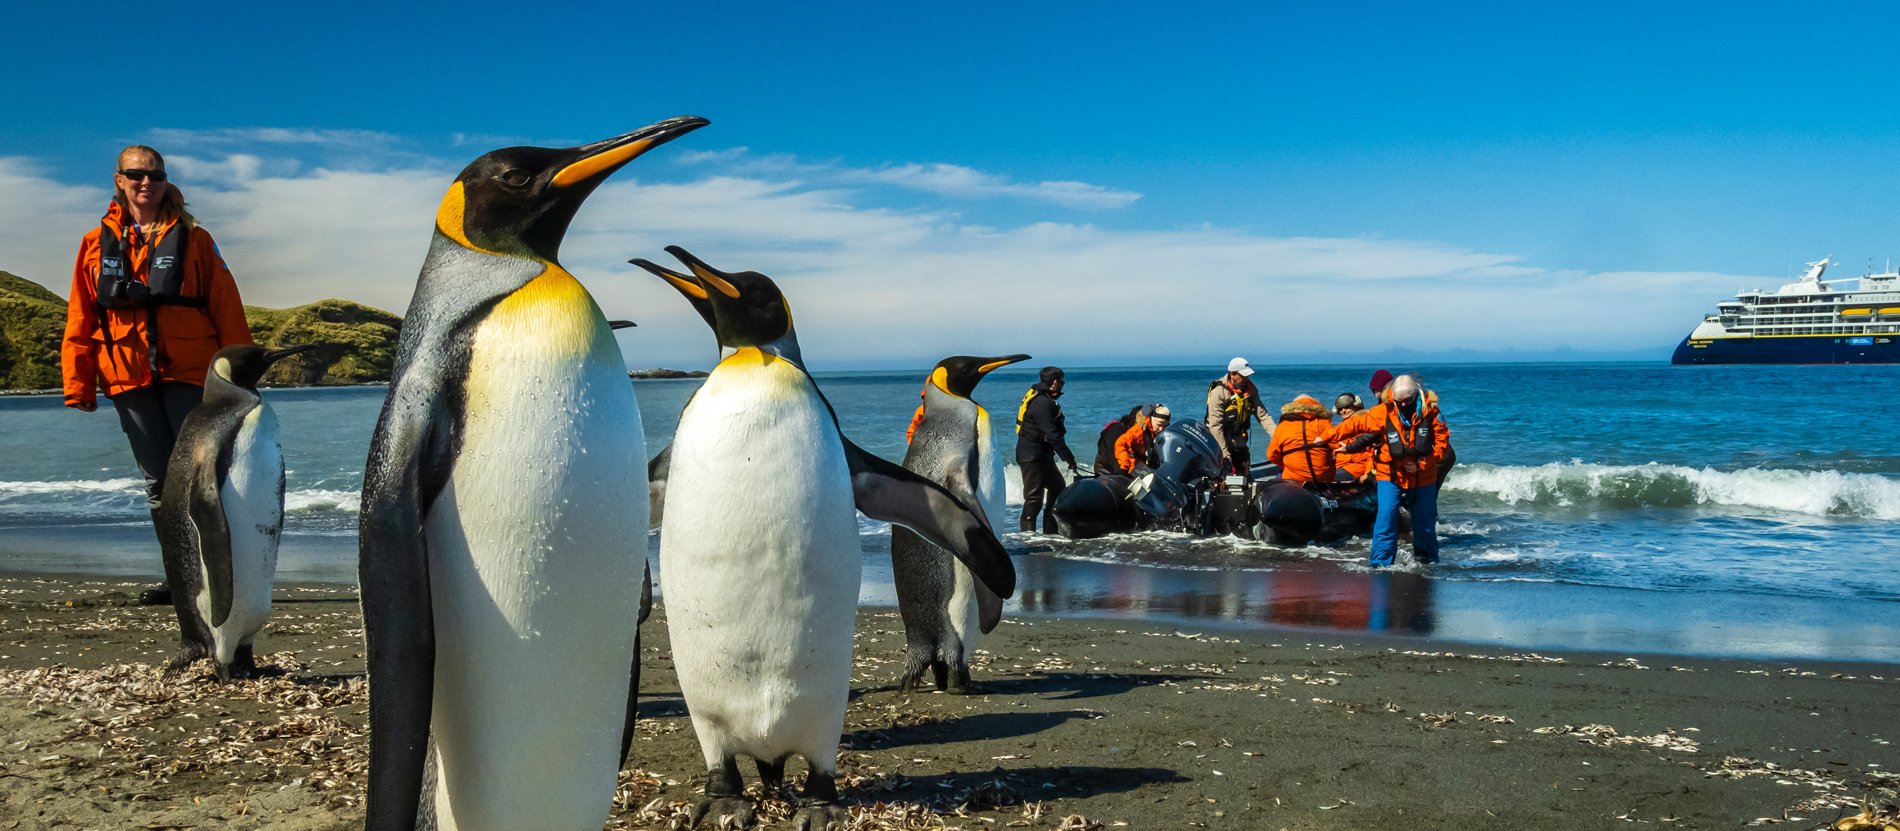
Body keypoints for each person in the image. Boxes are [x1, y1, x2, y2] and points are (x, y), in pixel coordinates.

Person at [62, 146, 254, 604]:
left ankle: (222, 574)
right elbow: (81, 315)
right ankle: (182, 578)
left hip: (190, 371)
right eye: (136, 175)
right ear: (119, 180)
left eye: (155, 175)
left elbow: (226, 304)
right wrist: (78, 383)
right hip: (127, 376)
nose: (146, 182)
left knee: (201, 474)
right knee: (158, 483)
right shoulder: (93, 244)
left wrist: (240, 376)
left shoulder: (196, 239)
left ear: (166, 182)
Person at [1330, 375, 1450, 567]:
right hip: (1390, 473)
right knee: (1386, 518)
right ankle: (1380, 564)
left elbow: (1441, 444)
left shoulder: (1432, 412)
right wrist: (1329, 436)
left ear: (1415, 395)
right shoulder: (1383, 411)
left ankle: (1427, 563)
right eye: (1398, 401)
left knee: (1424, 523)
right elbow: (1359, 425)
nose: (1402, 405)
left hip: (1423, 475)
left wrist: (1423, 463)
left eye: (1407, 401)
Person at [1015, 366, 1079, 533]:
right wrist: (1069, 458)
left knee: (1057, 486)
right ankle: (1028, 536)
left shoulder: (1042, 398)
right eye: (1062, 382)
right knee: (1034, 497)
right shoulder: (1041, 403)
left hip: (1041, 455)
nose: (1063, 385)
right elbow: (1052, 435)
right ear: (1055, 383)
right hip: (1031, 456)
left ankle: (1050, 531)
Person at [1204, 357, 1271, 474]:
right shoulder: (1219, 392)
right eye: (1243, 376)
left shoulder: (1250, 390)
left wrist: (1279, 437)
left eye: (1247, 375)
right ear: (1233, 374)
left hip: (1239, 439)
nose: (1247, 379)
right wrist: (1225, 454)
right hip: (1219, 441)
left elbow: (1263, 416)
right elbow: (1215, 426)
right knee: (1223, 478)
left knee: (1244, 476)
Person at [1265, 395, 1335, 484]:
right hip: (1323, 477)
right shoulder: (1324, 423)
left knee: (1273, 483)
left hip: (1294, 478)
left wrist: (1285, 465)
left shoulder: (1283, 426)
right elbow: (1337, 446)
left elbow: (1271, 456)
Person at [1112, 404, 1169, 475]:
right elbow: (1120, 444)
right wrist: (1124, 466)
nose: (1161, 429)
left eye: (1165, 426)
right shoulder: (1139, 430)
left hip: (1148, 467)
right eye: (1159, 425)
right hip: (1134, 468)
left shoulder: (1161, 433)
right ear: (1151, 419)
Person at [1330, 392, 1374, 482]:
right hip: (1341, 466)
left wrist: (1368, 473)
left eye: (1346, 407)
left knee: (1325, 478)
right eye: (1340, 409)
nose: (1343, 411)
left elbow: (1372, 453)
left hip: (1357, 466)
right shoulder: (1342, 426)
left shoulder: (1365, 425)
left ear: (1356, 406)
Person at [1091, 405, 1143, 475]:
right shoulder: (1117, 431)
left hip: (1132, 468)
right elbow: (1116, 459)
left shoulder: (1145, 434)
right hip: (1107, 473)